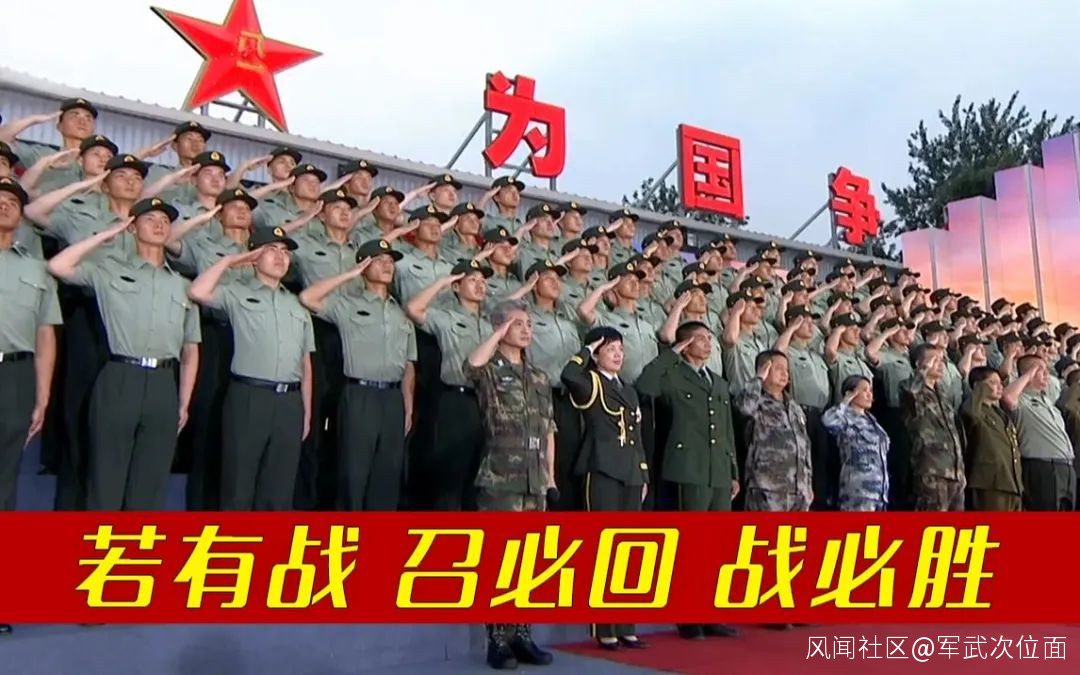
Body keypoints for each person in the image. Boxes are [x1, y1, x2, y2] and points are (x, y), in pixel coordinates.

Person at [47, 198, 201, 510]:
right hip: (120, 377)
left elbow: (190, 349)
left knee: (151, 482)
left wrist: (184, 400)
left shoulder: (183, 285)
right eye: (150, 219)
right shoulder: (110, 271)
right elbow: (58, 266)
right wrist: (106, 236)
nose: (159, 225)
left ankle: (137, 542)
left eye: (164, 220)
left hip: (164, 383)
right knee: (106, 477)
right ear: (132, 227)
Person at [189, 227, 315, 510]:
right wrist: (230, 261)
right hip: (249, 397)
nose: (280, 257)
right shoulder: (237, 292)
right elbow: (197, 291)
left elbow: (305, 362)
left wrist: (306, 410)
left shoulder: (297, 305)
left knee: (279, 491)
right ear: (254, 256)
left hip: (290, 403)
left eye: (284, 252)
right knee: (238, 486)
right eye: (271, 250)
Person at [465, 300, 557, 669]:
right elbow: (471, 367)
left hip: (534, 480)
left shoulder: (539, 377)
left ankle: (522, 635)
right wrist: (498, 333)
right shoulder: (491, 369)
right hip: (501, 477)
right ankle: (498, 640)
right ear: (501, 329)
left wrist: (550, 477)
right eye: (517, 324)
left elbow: (549, 429)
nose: (526, 329)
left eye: (529, 324)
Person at [636, 320, 740, 640]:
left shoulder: (718, 382)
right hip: (687, 468)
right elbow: (645, 386)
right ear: (684, 344)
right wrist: (670, 355)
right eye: (700, 339)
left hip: (717, 471)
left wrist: (733, 471)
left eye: (710, 339)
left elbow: (727, 430)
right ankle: (688, 615)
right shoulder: (672, 376)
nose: (708, 344)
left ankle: (711, 614)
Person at [299, 239, 416, 510]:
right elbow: (307, 298)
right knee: (353, 474)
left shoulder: (400, 311)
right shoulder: (347, 304)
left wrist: (408, 404)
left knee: (387, 477)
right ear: (363, 265)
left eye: (390, 261)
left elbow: (409, 363)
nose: (387, 265)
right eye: (379, 260)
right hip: (359, 395)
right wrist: (349, 275)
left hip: (393, 400)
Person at [561, 327, 648, 651]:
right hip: (601, 469)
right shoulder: (592, 382)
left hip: (629, 472)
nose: (617, 354)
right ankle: (604, 628)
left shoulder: (629, 390)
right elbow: (569, 375)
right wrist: (586, 349)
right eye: (610, 348)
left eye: (620, 349)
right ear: (596, 354)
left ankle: (626, 626)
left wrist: (642, 472)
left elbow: (636, 435)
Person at [405, 260, 494, 510]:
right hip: (457, 401)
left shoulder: (490, 325)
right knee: (451, 478)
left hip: (486, 403)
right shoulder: (446, 317)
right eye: (472, 280)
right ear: (456, 286)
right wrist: (443, 282)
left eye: (482, 280)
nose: (480, 285)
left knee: (478, 481)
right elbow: (413, 308)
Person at [0, 177, 61, 511]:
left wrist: (43, 393)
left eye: (13, 202)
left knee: (7, 470)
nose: (5, 205)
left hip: (16, 374)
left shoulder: (38, 270)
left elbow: (45, 334)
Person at [522, 260, 585, 510]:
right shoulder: (526, 316)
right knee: (541, 459)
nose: (555, 283)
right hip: (539, 393)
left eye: (557, 279)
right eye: (548, 278)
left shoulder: (568, 320)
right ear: (533, 284)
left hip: (568, 396)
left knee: (567, 456)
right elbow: (498, 311)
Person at [735, 351, 813, 512]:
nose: (785, 374)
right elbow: (744, 408)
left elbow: (805, 446)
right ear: (764, 369)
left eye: (787, 370)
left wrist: (808, 483)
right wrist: (758, 379)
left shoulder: (794, 407)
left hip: (799, 490)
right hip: (767, 488)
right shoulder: (756, 400)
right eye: (778, 368)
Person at [774, 306, 834, 509]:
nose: (810, 325)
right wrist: (791, 328)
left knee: (821, 466)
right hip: (800, 413)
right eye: (804, 321)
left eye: (811, 321)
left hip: (821, 414)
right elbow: (777, 352)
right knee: (801, 464)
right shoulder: (788, 351)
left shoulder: (815, 354)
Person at [1003, 355, 1076, 510]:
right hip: (1042, 466)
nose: (1046, 373)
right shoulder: (1022, 400)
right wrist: (1029, 375)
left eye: (1046, 369)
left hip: (1066, 467)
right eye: (1039, 369)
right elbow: (1007, 397)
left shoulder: (1048, 401)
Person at [900, 344, 965, 511]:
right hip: (931, 468)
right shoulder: (909, 387)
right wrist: (922, 371)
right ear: (919, 363)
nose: (939, 364)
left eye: (941, 360)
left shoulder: (942, 393)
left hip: (954, 469)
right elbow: (911, 391)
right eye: (934, 359)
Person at [821, 375, 890, 511]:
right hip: (857, 492)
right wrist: (845, 401)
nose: (869, 394)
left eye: (870, 390)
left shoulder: (873, 421)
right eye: (864, 390)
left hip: (879, 493)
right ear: (851, 393)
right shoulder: (845, 417)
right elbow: (828, 421)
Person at [961, 366, 1023, 511]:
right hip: (990, 482)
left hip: (1011, 482)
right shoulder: (974, 408)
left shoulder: (999, 413)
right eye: (993, 382)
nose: (1000, 387)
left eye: (1000, 383)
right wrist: (980, 389)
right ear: (978, 386)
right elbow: (970, 415)